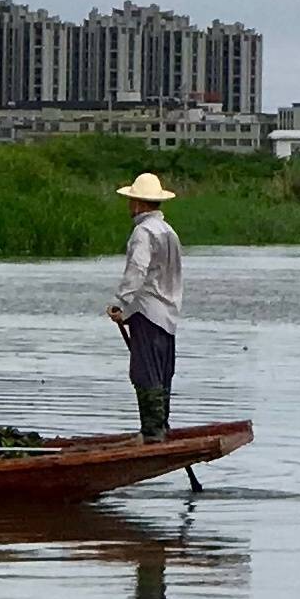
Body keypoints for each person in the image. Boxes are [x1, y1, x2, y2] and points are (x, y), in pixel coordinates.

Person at [106, 172, 183, 441]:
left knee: (144, 371)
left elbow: (137, 270)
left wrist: (120, 303)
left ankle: (152, 432)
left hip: (147, 311)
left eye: (132, 201)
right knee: (163, 372)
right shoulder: (168, 231)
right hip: (169, 313)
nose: (130, 206)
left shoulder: (143, 232)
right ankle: (160, 427)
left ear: (139, 203)